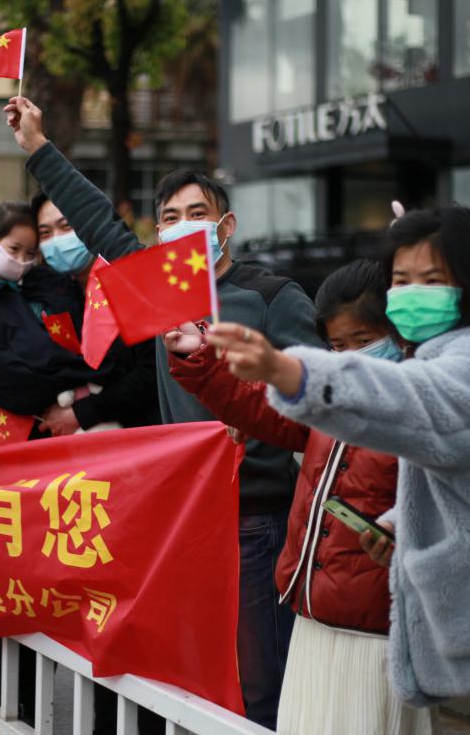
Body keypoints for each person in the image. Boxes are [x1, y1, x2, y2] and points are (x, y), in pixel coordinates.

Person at [206, 205, 470, 734]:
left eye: (432, 280)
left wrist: (291, 370)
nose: (413, 293)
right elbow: (467, 471)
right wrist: (401, 525)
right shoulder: (453, 354)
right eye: (402, 279)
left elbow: (416, 400)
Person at [4, 96, 317, 727]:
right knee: (185, 670)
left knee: (259, 677)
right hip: (182, 516)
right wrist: (37, 146)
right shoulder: (162, 288)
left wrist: (252, 417)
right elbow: (98, 221)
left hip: (255, 518)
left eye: (197, 214)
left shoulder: (272, 296)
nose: (182, 226)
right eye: (169, 218)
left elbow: (312, 398)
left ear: (226, 226)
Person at [166, 259, 429, 734]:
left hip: (376, 627)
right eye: (337, 346)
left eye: (363, 341)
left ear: (399, 333)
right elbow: (261, 406)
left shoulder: (424, 405)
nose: (349, 355)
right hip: (313, 609)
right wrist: (201, 358)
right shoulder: (330, 394)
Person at [0, 201, 108, 421]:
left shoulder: (49, 284)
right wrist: (77, 377)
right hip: (26, 421)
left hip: (85, 404)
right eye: (14, 249)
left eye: (30, 253)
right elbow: (2, 376)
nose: (22, 261)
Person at [34, 191, 159, 433]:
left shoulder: (131, 280)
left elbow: (152, 371)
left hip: (147, 436)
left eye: (66, 226)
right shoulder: (56, 295)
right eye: (45, 234)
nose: (57, 240)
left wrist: (83, 413)